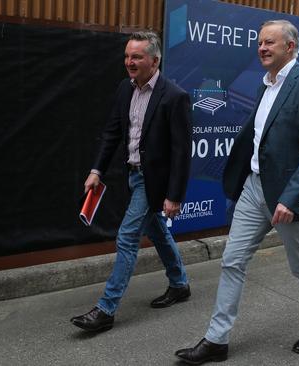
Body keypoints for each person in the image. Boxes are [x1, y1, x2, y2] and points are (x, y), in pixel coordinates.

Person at [175, 19, 299, 363]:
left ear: (290, 47)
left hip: (288, 194)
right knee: (232, 260)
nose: (262, 48)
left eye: (270, 43)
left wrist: (292, 198)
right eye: (260, 42)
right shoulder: (265, 86)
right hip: (254, 187)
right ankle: (217, 340)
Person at [70, 31, 193, 332]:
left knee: (126, 237)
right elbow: (112, 133)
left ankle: (106, 309)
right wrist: (97, 170)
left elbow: (181, 153)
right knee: (158, 232)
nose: (130, 62)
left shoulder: (175, 96)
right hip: (132, 175)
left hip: (154, 182)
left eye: (137, 56)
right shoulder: (125, 89)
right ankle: (179, 284)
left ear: (155, 60)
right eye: (127, 56)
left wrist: (174, 195)